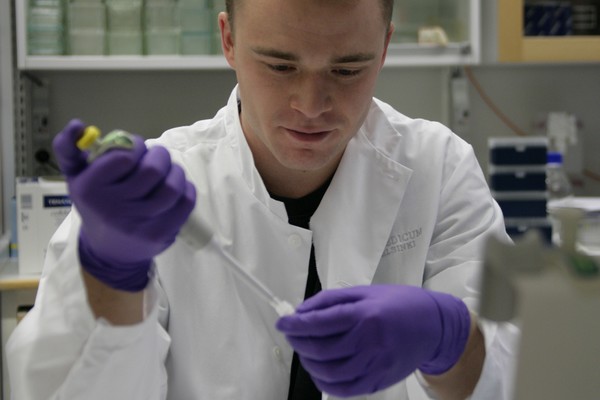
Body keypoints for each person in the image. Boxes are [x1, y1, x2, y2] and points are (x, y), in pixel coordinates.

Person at [7, 0, 518, 399]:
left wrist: (451, 339)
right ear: (228, 40)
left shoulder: (439, 169)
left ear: (384, 48)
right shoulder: (146, 194)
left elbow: (512, 376)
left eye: (347, 70)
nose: (310, 105)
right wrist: (110, 274)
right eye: (279, 66)